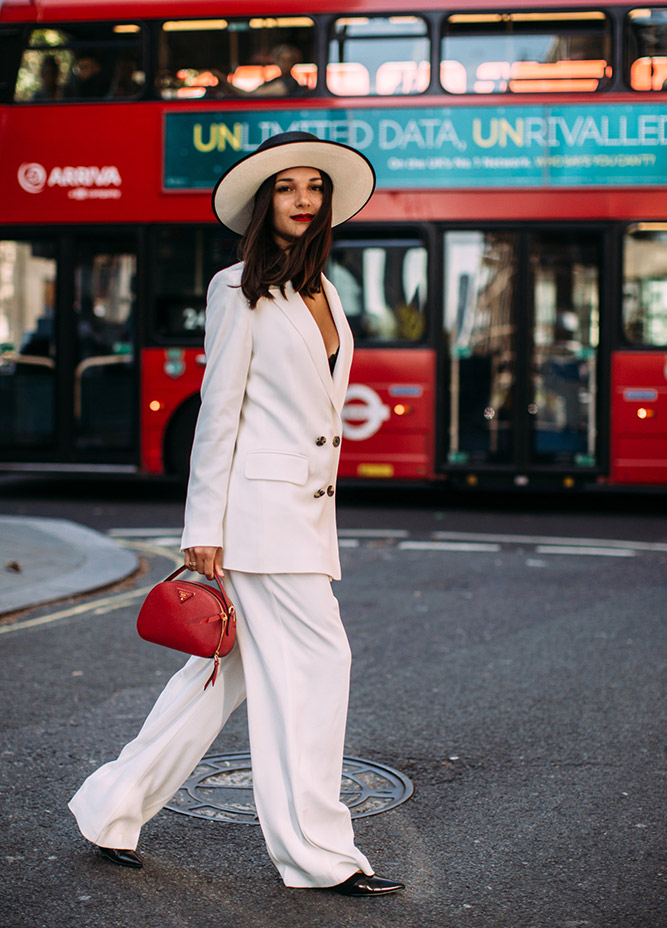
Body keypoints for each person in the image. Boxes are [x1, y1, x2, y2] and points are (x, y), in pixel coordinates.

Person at [68, 131, 405, 898]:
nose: (302, 201)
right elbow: (218, 412)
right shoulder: (236, 287)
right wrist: (203, 528)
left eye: (313, 189)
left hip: (302, 513)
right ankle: (319, 853)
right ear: (264, 202)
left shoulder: (323, 289)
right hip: (259, 515)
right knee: (321, 667)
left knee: (216, 678)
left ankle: (111, 806)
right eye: (286, 188)